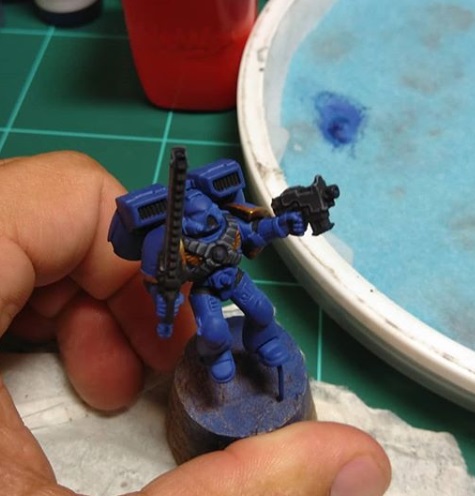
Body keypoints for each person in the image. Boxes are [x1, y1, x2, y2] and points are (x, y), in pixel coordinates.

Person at [0, 151, 391, 496]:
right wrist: (164, 288)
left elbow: (258, 230)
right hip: (204, 292)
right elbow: (157, 274)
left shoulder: (227, 222)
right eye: (194, 214)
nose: (204, 216)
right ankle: (216, 358)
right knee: (214, 332)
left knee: (261, 312)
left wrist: (284, 224)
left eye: (207, 210)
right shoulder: (177, 243)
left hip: (235, 280)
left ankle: (265, 343)